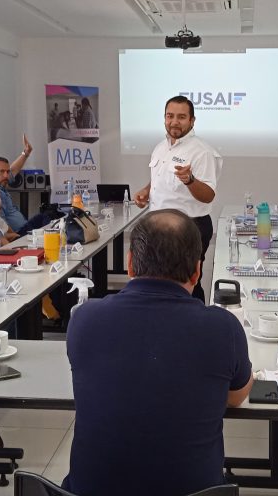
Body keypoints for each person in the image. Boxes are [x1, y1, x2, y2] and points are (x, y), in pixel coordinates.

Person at [63, 209, 253, 496]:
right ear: (197, 270)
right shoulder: (222, 327)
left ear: (129, 263)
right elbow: (236, 397)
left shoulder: (84, 318)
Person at [133, 96, 222, 302]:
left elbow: (208, 195)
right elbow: (160, 178)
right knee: (157, 282)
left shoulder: (202, 152)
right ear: (164, 118)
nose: (174, 121)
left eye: (181, 117)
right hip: (157, 227)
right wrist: (147, 191)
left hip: (189, 227)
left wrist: (190, 180)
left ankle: (196, 325)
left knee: (186, 284)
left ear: (192, 120)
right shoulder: (160, 147)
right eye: (170, 116)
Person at [0, 135, 55, 235]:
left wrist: (26, 153)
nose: (6, 175)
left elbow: (12, 170)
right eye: (1, 171)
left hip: (24, 228)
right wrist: (16, 238)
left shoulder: (2, 185)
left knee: (52, 215)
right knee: (47, 216)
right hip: (18, 233)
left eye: (7, 172)